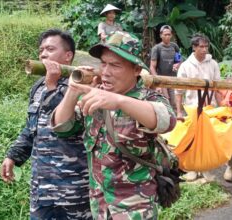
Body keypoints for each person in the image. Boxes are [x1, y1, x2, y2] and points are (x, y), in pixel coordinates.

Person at [51, 31, 176, 219]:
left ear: (136, 70)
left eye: (115, 65)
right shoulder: (95, 95)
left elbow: (167, 120)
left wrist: (118, 101)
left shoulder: (147, 98)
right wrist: (73, 89)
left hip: (135, 208)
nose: (106, 72)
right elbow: (62, 127)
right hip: (99, 205)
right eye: (103, 63)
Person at [0, 29, 91, 219]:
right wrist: (13, 156)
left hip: (74, 188)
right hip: (42, 188)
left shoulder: (83, 86)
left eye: (50, 49)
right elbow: (32, 128)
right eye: (41, 50)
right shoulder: (39, 87)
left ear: (68, 56)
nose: (43, 54)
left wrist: (52, 86)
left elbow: (61, 124)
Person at [175, 33, 222, 182]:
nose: (204, 49)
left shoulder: (213, 64)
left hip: (209, 107)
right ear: (194, 47)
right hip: (191, 108)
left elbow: (218, 87)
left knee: (207, 141)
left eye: (206, 46)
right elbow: (178, 91)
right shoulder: (186, 66)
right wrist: (178, 111)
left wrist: (222, 107)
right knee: (192, 140)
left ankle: (205, 169)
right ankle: (191, 169)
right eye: (201, 46)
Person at [150, 25, 181, 108]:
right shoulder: (156, 48)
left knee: (174, 103)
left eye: (169, 34)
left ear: (171, 35)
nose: (167, 36)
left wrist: (177, 65)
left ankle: (175, 119)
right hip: (162, 79)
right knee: (166, 102)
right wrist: (157, 82)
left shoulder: (175, 47)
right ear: (161, 35)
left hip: (173, 79)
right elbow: (152, 67)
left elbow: (178, 60)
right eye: (165, 34)